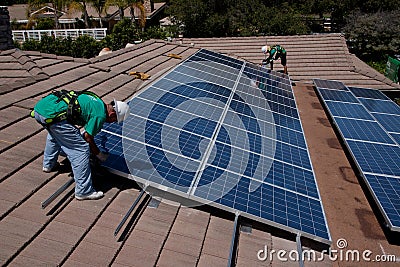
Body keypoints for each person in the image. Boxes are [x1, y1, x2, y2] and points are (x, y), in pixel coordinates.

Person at [31, 90, 129, 200]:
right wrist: (98, 154)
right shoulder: (100, 115)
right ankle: (84, 191)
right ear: (111, 114)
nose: (112, 123)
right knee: (81, 150)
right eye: (114, 120)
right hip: (53, 115)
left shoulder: (96, 100)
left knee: (56, 134)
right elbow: (88, 137)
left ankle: (49, 165)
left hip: (42, 109)